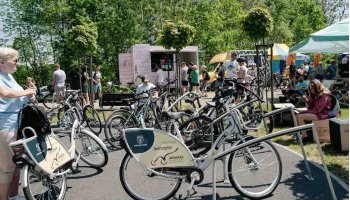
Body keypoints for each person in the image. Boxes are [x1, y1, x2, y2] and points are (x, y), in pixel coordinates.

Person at [0, 47, 36, 200]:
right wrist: (27, 91)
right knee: (6, 168)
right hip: (5, 126)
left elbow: (18, 97)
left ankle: (13, 196)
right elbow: (5, 94)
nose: (17, 63)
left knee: (16, 165)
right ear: (2, 62)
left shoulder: (9, 76)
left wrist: (30, 94)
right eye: (15, 60)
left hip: (17, 125)